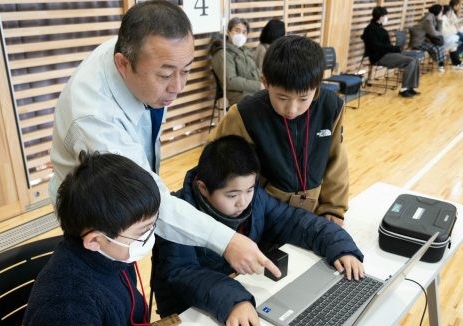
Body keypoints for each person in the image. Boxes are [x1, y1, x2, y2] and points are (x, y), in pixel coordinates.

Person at [49, 1, 279, 278]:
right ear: (123, 64)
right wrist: (226, 240)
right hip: (96, 218)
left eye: (186, 70)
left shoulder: (143, 55)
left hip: (122, 198)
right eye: (166, 75)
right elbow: (145, 193)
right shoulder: (95, 119)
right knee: (109, 281)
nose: (178, 87)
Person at [20, 152, 231, 326]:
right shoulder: (64, 305)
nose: (150, 237)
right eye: (142, 232)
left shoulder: (111, 255)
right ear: (95, 240)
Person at [152, 135, 365, 326]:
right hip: (188, 316)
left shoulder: (256, 199)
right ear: (203, 188)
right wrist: (234, 300)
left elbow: (293, 220)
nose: (243, 202)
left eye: (249, 190)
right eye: (232, 195)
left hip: (235, 297)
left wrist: (339, 245)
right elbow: (183, 274)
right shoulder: (176, 217)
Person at [211, 35, 349, 225]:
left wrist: (333, 207)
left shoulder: (331, 107)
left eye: (303, 99)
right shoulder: (245, 114)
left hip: (314, 213)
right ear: (265, 82)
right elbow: (219, 167)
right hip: (262, 213)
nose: (292, 109)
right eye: (282, 98)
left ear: (316, 87)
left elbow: (336, 159)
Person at [361, 6, 420, 98]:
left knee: (415, 59)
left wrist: (395, 49)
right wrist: (394, 48)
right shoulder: (370, 30)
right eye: (385, 16)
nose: (386, 18)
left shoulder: (381, 29)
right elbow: (376, 47)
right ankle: (404, 89)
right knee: (411, 61)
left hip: (387, 54)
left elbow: (387, 46)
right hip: (378, 57)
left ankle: (410, 87)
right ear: (380, 17)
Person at [210, 17, 262, 106]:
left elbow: (255, 70)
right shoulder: (222, 54)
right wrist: (258, 86)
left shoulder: (245, 50)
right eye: (237, 31)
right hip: (240, 97)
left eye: (244, 32)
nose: (240, 34)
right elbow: (230, 81)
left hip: (254, 92)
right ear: (228, 32)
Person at [410, 4, 463, 71]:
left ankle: (444, 64)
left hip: (423, 39)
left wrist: (439, 21)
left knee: (443, 46)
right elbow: (433, 33)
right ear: (437, 11)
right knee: (438, 47)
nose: (442, 13)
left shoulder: (432, 17)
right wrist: (440, 33)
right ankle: (442, 65)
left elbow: (438, 32)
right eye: (441, 11)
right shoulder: (428, 19)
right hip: (418, 42)